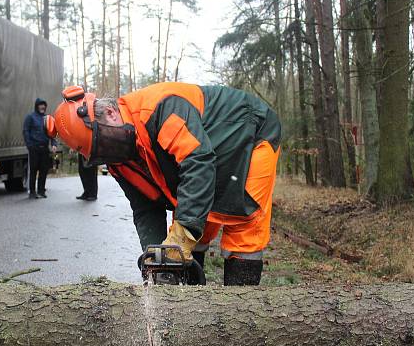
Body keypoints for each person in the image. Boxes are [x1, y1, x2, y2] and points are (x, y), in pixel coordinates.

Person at [47, 82, 281, 285]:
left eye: (102, 143)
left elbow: (197, 162)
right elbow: (145, 208)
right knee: (195, 224)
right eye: (98, 153)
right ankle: (190, 307)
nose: (106, 154)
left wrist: (179, 243)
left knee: (243, 220)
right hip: (207, 152)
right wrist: (157, 259)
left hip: (249, 130)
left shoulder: (159, 108)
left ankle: (241, 312)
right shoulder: (117, 159)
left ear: (110, 113)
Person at [61, 86, 98, 201]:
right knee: (82, 170)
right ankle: (86, 192)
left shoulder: (91, 106)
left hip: (91, 145)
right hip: (81, 146)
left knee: (91, 171)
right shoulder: (76, 110)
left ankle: (92, 193)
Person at [22, 98, 56, 198]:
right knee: (33, 170)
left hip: (45, 148)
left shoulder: (47, 119)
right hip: (34, 148)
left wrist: (54, 144)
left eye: (44, 105)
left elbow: (52, 132)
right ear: (37, 106)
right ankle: (32, 192)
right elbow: (26, 131)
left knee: (43, 170)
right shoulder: (30, 117)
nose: (43, 107)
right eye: (41, 105)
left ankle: (41, 191)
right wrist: (29, 145)